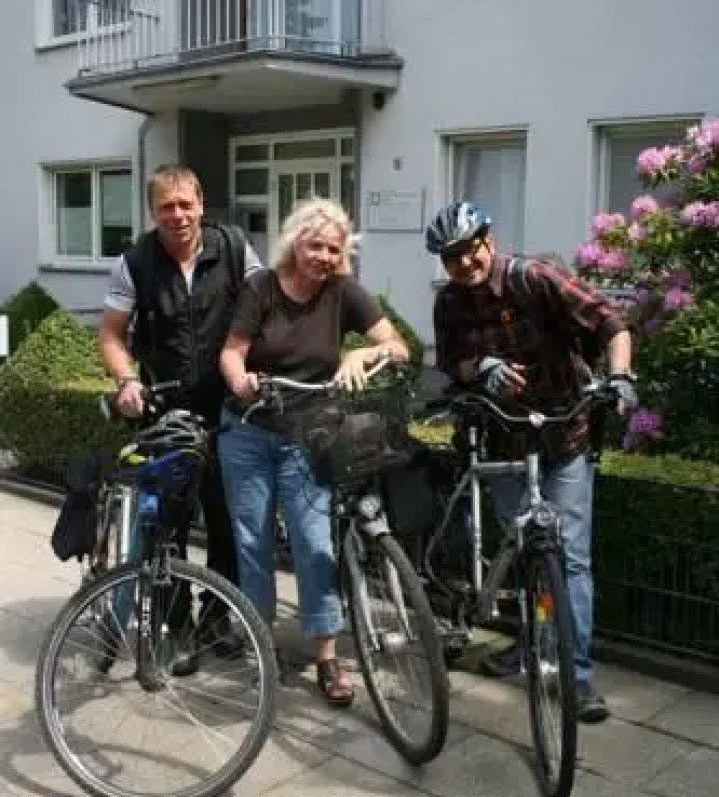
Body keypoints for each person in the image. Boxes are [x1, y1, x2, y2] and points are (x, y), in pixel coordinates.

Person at [426, 201, 638, 724]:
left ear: (487, 243)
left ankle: (577, 676)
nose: (463, 266)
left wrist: (621, 377)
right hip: (503, 442)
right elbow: (452, 361)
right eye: (451, 259)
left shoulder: (535, 278)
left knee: (567, 558)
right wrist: (484, 366)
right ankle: (531, 642)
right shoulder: (451, 303)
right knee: (524, 552)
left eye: (468, 252)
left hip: (565, 434)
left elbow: (612, 323)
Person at [218, 197, 409, 706]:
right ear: (294, 244)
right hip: (249, 430)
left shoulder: (344, 292)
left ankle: (327, 656)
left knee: (314, 543)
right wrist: (240, 382)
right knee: (252, 544)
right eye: (315, 245)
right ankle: (262, 648)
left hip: (309, 434)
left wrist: (364, 350)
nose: (324, 256)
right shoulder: (261, 288)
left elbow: (398, 346)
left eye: (334, 249)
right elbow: (232, 352)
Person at [99, 164, 262, 673]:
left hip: (228, 410)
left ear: (201, 204)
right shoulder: (135, 262)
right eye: (166, 206)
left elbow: (266, 307)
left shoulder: (233, 248)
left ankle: (217, 618)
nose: (177, 214)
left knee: (226, 521)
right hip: (166, 413)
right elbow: (110, 335)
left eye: (185, 204)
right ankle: (179, 625)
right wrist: (128, 380)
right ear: (153, 212)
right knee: (166, 527)